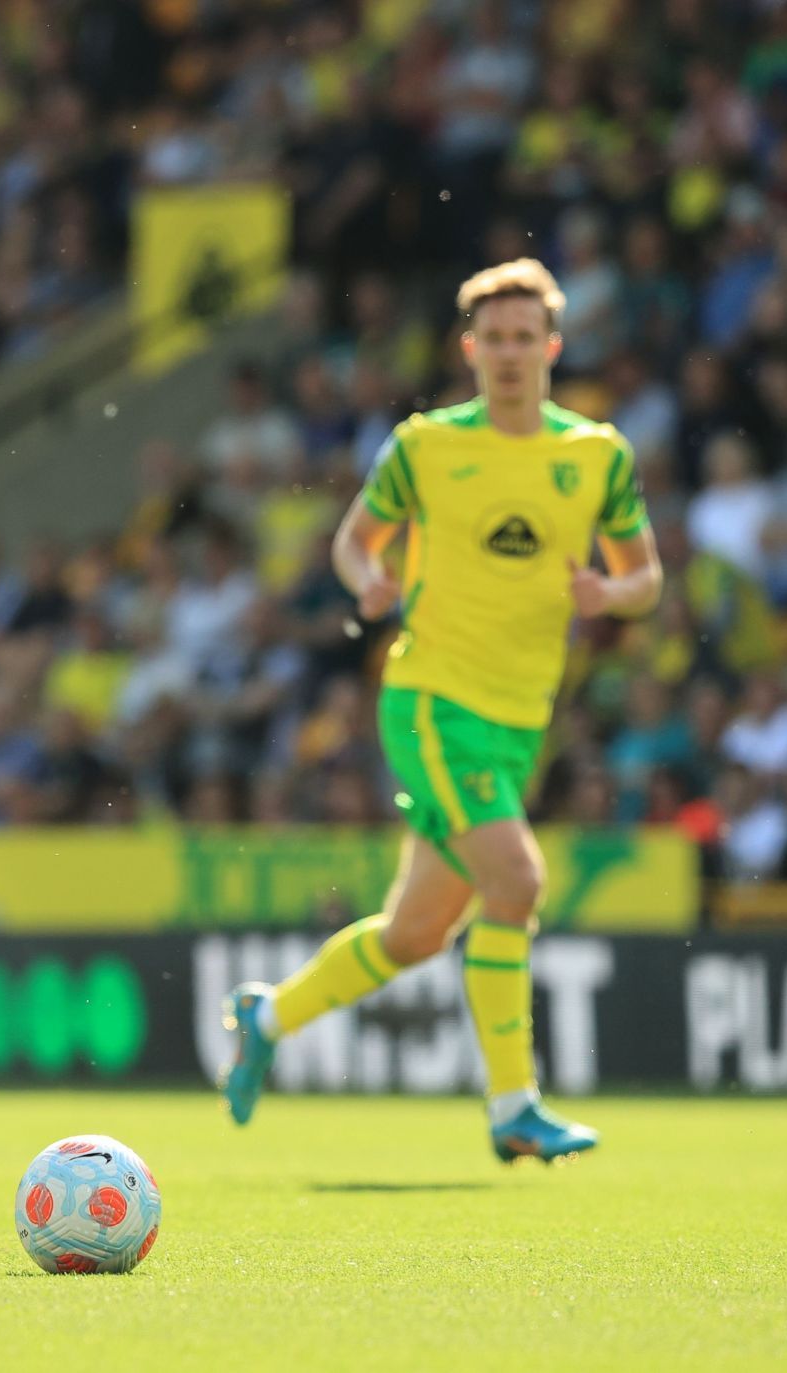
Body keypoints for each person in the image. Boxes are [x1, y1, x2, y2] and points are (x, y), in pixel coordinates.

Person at [222, 259, 663, 1162]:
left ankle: (269, 1015)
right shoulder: (425, 445)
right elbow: (353, 540)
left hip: (520, 722)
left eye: (523, 337)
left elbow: (647, 575)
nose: (508, 353)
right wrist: (367, 579)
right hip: (431, 701)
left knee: (417, 932)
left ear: (552, 346)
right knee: (520, 882)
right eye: (492, 338)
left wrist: (607, 595)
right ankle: (515, 1108)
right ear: (470, 350)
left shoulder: (597, 456)